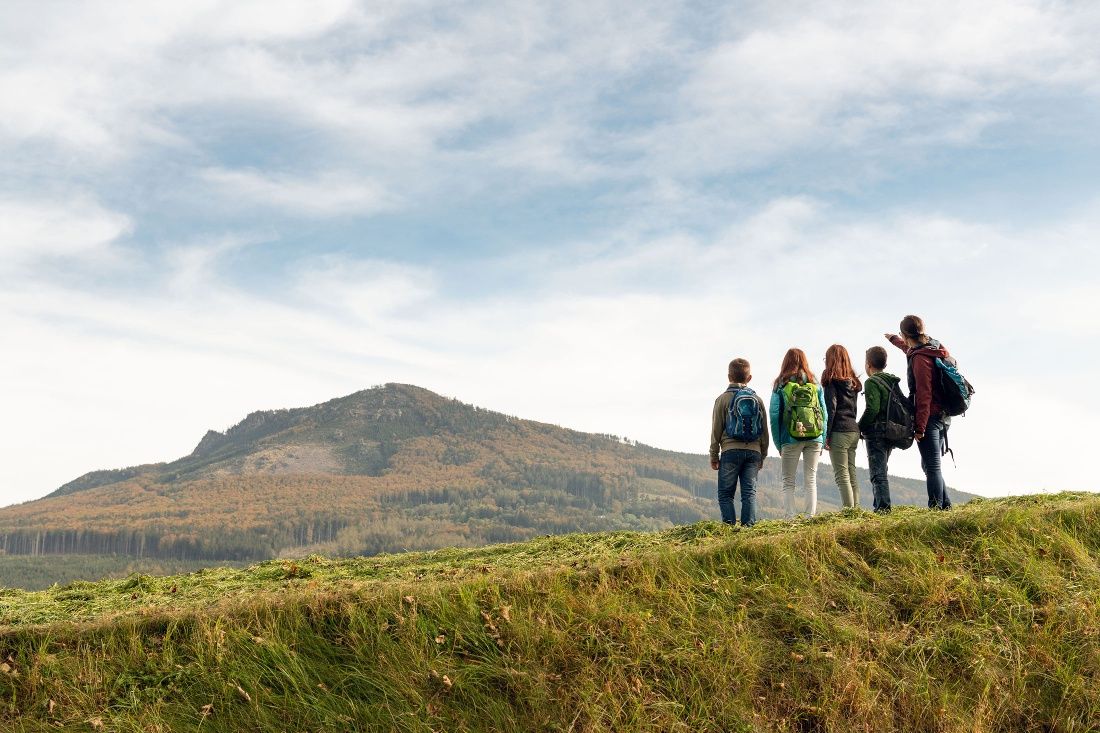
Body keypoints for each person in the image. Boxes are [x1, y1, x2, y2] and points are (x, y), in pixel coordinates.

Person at [886, 315, 952, 510]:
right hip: (944, 414)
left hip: (930, 416)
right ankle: (945, 506)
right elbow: (909, 348)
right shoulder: (932, 348)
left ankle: (935, 509)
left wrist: (920, 427)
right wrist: (894, 340)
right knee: (930, 465)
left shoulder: (920, 359)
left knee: (932, 466)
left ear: (906, 335)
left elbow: (924, 395)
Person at [710, 358, 770, 526]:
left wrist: (714, 455)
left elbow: (716, 430)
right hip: (754, 452)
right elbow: (764, 431)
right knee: (749, 493)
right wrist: (762, 455)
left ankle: (729, 529)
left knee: (725, 494)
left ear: (729, 376)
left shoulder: (722, 399)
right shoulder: (757, 400)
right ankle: (748, 529)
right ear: (749, 378)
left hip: (730, 451)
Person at [769, 348, 828, 518]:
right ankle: (810, 517)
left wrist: (778, 444)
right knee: (811, 479)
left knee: (788, 481)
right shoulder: (815, 384)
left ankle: (790, 518)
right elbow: (824, 414)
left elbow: (774, 415)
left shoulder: (781, 384)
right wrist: (822, 439)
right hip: (815, 436)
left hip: (789, 437)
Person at [858, 346, 900, 513]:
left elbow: (872, 409)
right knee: (883, 468)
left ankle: (882, 508)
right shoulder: (892, 380)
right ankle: (880, 506)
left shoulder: (871, 382)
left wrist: (859, 427)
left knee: (878, 472)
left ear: (868, 364)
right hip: (891, 431)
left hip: (876, 432)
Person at [822, 344, 863, 509]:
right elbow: (855, 409)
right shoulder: (853, 383)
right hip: (854, 430)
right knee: (852, 473)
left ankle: (848, 511)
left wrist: (826, 435)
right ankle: (856, 510)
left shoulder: (831, 380)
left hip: (839, 430)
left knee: (841, 475)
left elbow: (830, 409)